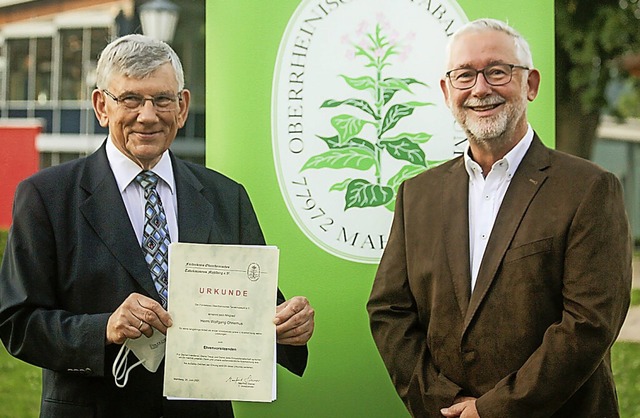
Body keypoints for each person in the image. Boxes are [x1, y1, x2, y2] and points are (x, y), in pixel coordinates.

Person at [0, 34, 314, 418]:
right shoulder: (46, 196)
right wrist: (104, 328)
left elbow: (259, 309)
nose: (147, 115)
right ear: (101, 106)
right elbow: (18, 322)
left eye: (162, 99)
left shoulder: (224, 196)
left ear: (182, 107)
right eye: (130, 99)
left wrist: (288, 327)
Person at [367, 18, 632, 418]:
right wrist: (443, 402)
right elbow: (390, 310)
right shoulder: (416, 195)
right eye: (464, 75)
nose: (480, 89)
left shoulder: (589, 189)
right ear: (446, 91)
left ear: (531, 84)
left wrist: (491, 410)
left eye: (496, 71)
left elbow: (589, 324)